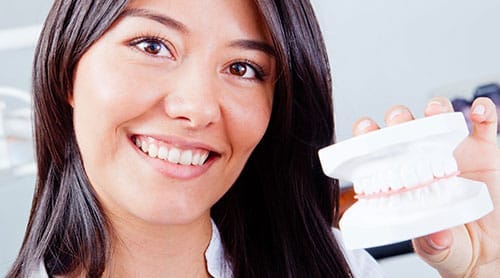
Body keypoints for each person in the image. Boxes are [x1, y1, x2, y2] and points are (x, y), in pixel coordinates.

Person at [7, 0, 499, 277]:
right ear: (67, 71)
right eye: (152, 45)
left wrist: (486, 269)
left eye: (243, 68)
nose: (197, 107)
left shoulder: (335, 267)